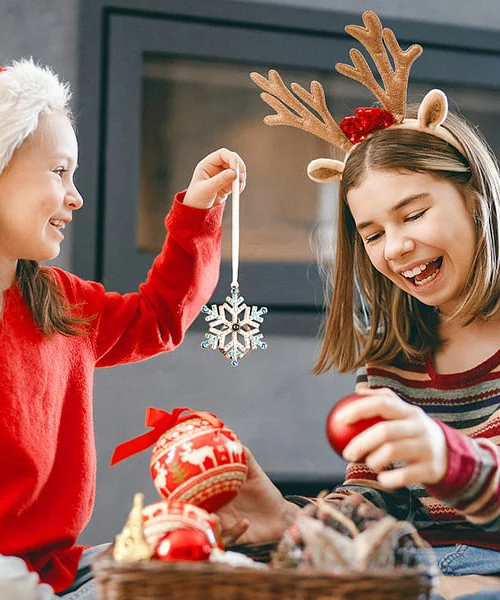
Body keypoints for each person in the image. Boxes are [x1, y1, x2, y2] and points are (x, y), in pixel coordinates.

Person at [0, 53, 245, 599]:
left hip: (55, 567)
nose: (75, 197)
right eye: (59, 171)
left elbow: (158, 316)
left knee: (201, 568)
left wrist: (198, 209)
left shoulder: (61, 304)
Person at [218, 11, 500, 600]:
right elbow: (377, 497)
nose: (396, 247)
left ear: (475, 197)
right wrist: (298, 520)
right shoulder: (395, 357)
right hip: (418, 570)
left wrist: (449, 458)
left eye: (414, 213)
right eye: (372, 233)